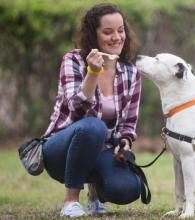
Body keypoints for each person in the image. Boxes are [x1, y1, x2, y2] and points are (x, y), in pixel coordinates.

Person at [41, 3, 142, 217]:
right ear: (92, 35)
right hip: (61, 150)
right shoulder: (73, 60)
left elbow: (129, 124)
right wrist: (92, 73)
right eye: (108, 32)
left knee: (128, 189)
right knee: (92, 127)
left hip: (102, 149)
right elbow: (75, 108)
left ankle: (95, 192)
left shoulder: (131, 71)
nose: (117, 37)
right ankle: (70, 201)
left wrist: (124, 143)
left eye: (121, 30)